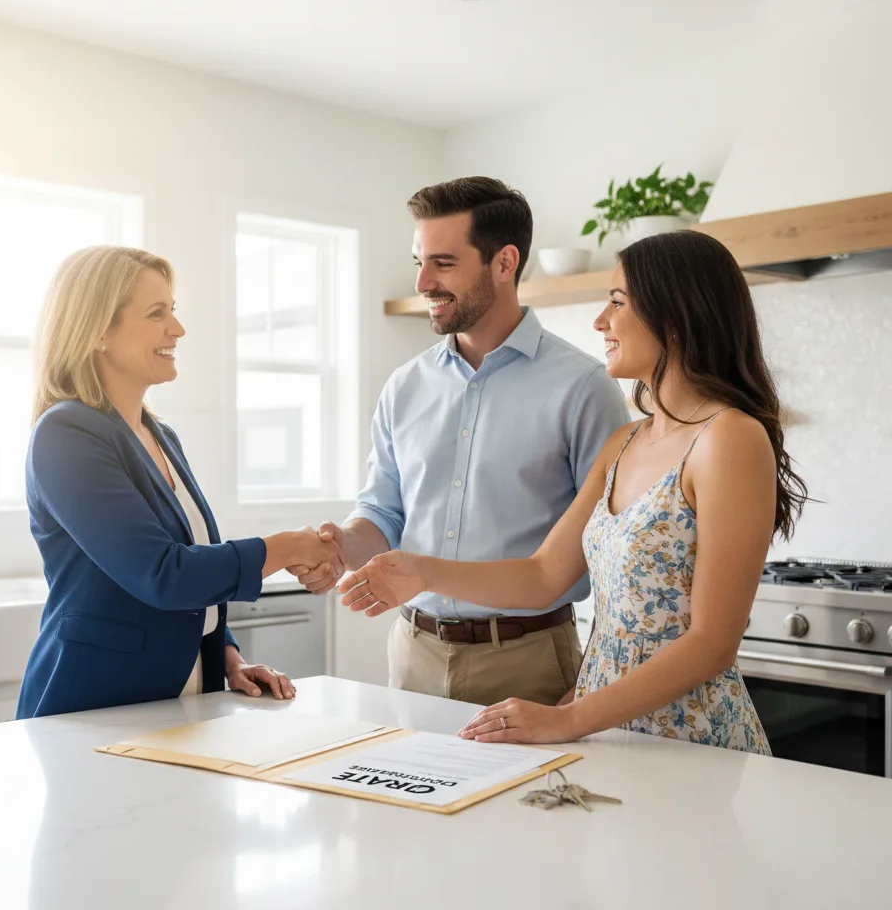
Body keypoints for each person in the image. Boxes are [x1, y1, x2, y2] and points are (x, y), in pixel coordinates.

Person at [337, 229, 808, 753]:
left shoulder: (729, 438)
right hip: (606, 724)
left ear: (676, 315)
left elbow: (713, 643)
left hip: (688, 736)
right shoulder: (626, 441)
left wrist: (571, 719)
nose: (600, 321)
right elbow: (544, 575)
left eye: (616, 302)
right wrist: (422, 572)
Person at [296, 177, 629, 708]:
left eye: (444, 263)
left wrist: (594, 677)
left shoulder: (584, 389)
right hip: (413, 651)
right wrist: (337, 546)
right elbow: (383, 513)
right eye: (418, 262)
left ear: (504, 263)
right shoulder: (404, 386)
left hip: (532, 659)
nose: (424, 281)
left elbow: (614, 556)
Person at [17, 246, 343, 719]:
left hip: (181, 704)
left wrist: (226, 656)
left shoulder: (159, 434)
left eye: (174, 310)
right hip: (91, 710)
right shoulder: (66, 434)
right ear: (97, 331)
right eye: (157, 313)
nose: (178, 328)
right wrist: (289, 547)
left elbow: (188, 572)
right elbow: (162, 574)